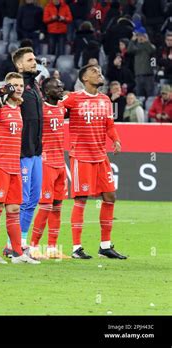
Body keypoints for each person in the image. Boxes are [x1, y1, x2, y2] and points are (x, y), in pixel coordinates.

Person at [62, 64, 127, 259]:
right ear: (85, 79)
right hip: (81, 156)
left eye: (99, 71)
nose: (99, 74)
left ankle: (105, 246)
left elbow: (109, 125)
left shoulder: (105, 100)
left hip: (100, 156)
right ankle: (76, 248)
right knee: (81, 199)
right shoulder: (73, 98)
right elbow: (54, 110)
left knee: (110, 197)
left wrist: (115, 139)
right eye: (94, 72)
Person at [0, 72, 40, 265]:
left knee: (14, 208)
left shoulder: (19, 108)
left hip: (15, 164)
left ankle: (17, 253)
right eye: (14, 85)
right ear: (7, 87)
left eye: (21, 85)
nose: (18, 88)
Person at [4, 47, 44, 257]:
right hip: (21, 152)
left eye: (34, 58)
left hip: (36, 152)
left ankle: (21, 241)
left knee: (34, 198)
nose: (34, 62)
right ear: (19, 65)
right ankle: (11, 244)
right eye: (29, 59)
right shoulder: (15, 88)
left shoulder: (36, 86)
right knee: (21, 199)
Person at [29, 77, 70, 259]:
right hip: (45, 162)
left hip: (60, 162)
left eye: (62, 86)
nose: (61, 89)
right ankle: (33, 246)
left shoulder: (62, 108)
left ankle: (52, 247)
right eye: (57, 87)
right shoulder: (41, 110)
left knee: (57, 206)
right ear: (46, 92)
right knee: (45, 206)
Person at [127, 30, 156, 98]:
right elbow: (129, 50)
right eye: (139, 36)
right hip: (138, 76)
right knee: (139, 96)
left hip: (149, 76)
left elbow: (152, 50)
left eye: (142, 36)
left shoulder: (150, 46)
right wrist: (132, 40)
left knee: (150, 96)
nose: (140, 38)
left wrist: (146, 41)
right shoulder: (136, 47)